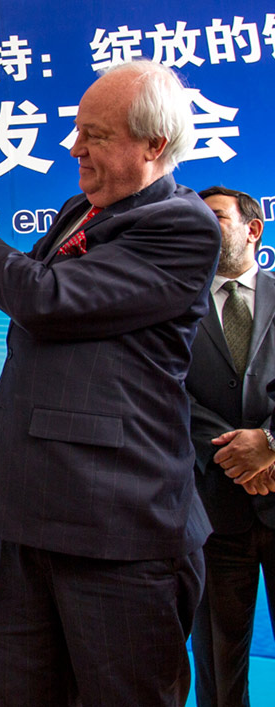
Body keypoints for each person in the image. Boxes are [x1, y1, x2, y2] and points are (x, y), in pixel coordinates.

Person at [0, 60, 221, 706]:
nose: (74, 148)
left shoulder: (182, 224)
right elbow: (26, 289)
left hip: (116, 525)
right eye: (76, 129)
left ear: (154, 147)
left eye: (95, 134)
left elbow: (48, 299)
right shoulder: (78, 211)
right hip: (30, 511)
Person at [186, 185, 275, 707]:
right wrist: (235, 455)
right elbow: (164, 392)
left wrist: (268, 444)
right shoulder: (173, 306)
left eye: (215, 216)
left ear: (252, 228)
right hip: (212, 510)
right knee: (218, 662)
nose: (204, 225)